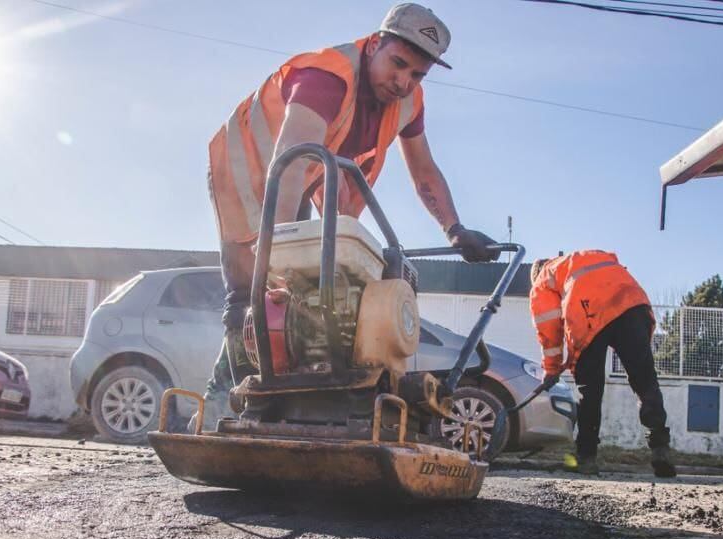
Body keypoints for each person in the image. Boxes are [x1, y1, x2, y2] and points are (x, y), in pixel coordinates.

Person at [196, 3, 499, 427]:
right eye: (397, 64)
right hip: (247, 164)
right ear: (374, 43)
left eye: (416, 74)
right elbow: (289, 163)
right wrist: (280, 260)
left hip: (302, 173)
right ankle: (227, 408)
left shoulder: (409, 100)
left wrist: (454, 229)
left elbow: (425, 170)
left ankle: (302, 405)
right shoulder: (327, 77)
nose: (404, 81)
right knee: (254, 290)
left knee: (314, 293)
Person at [529, 251, 677, 477]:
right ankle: (660, 447)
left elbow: (549, 329)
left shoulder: (542, 279)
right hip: (631, 302)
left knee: (589, 391)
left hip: (588, 311)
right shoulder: (583, 258)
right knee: (644, 381)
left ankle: (586, 458)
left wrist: (551, 369)